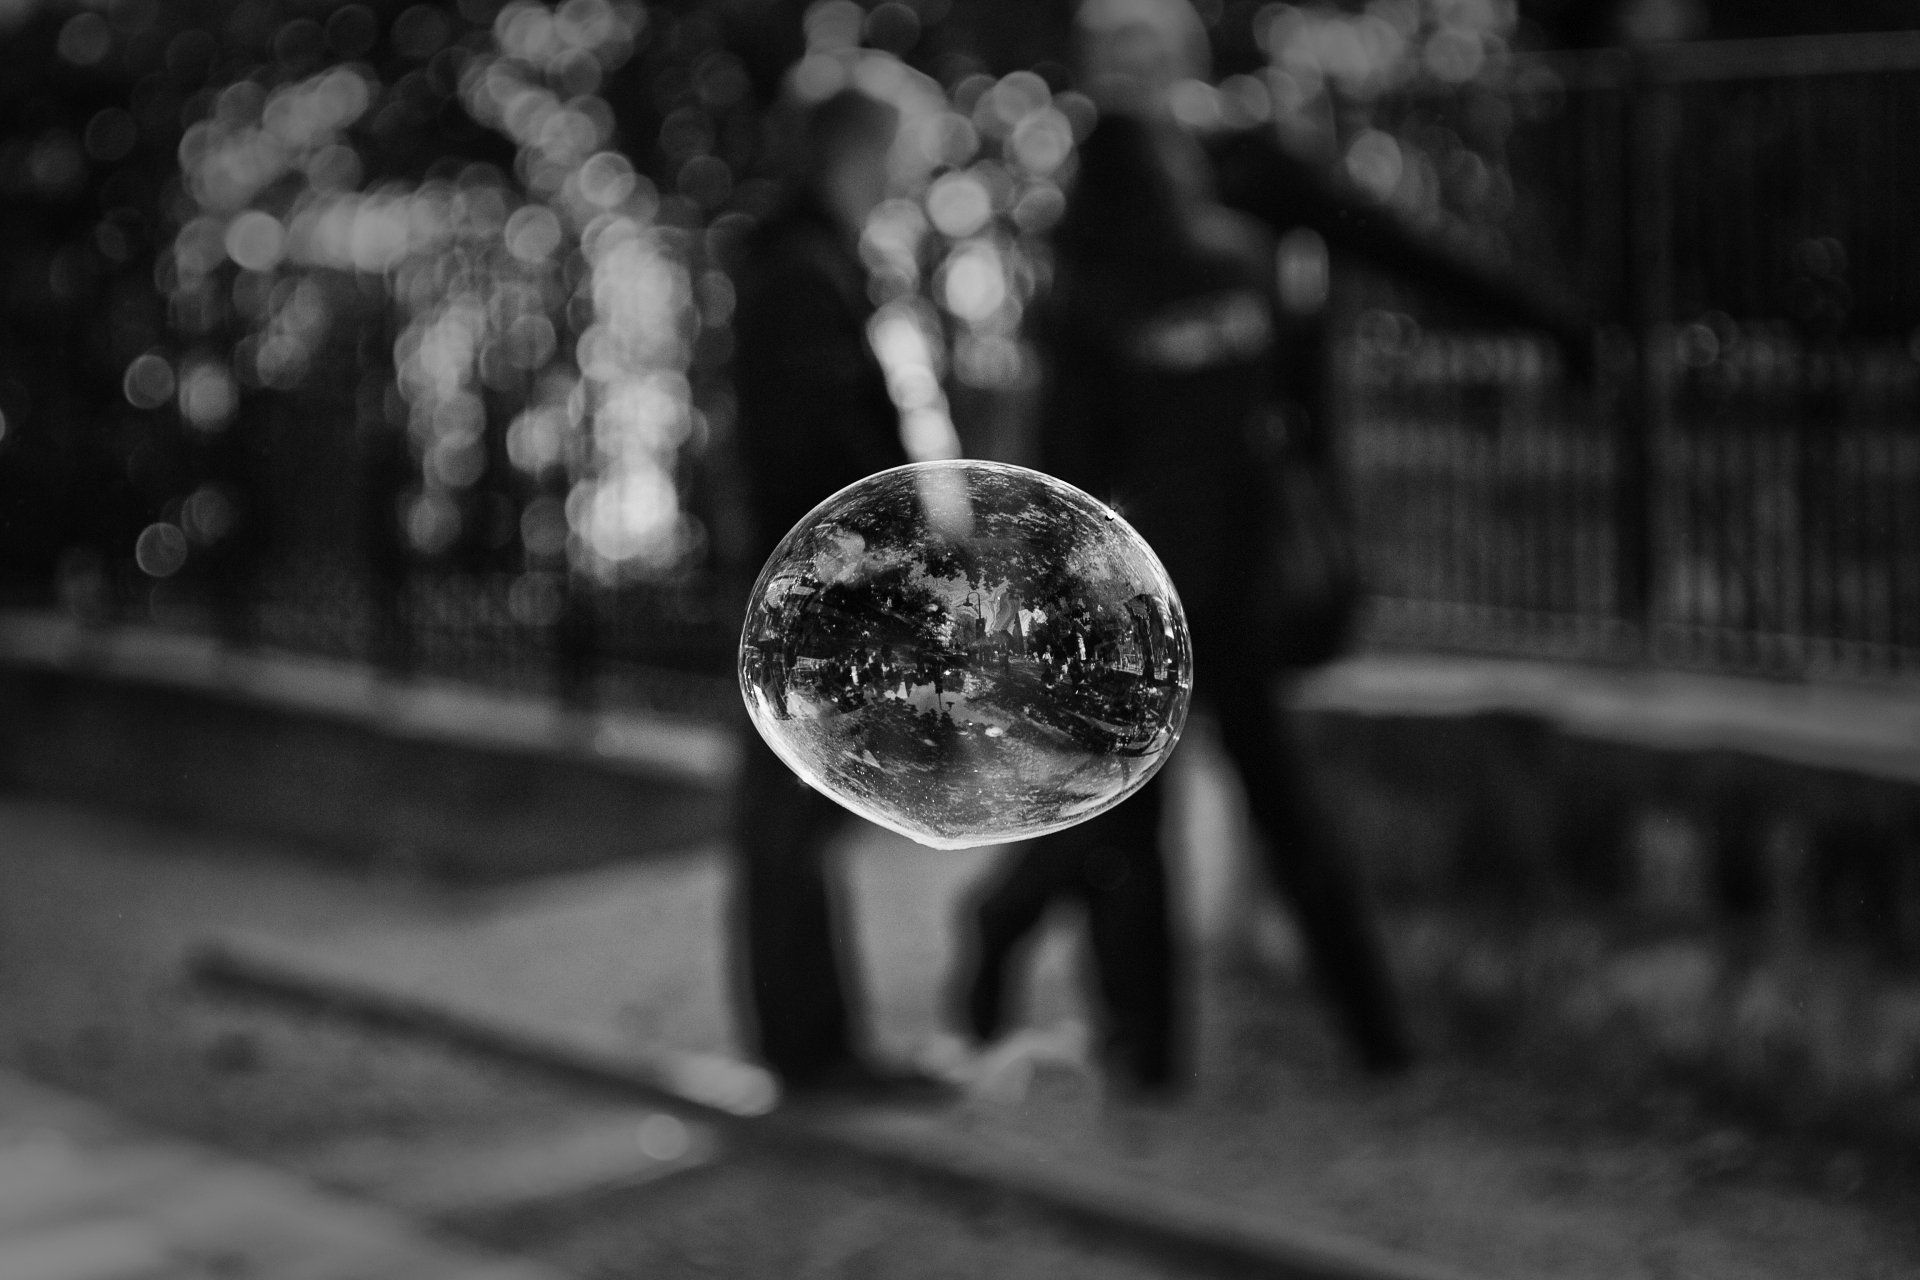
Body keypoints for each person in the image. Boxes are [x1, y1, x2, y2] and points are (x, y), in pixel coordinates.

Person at [955, 0, 1415, 1091]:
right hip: (1142, 568)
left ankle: (1377, 1035)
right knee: (1127, 817)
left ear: (1190, 60)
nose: (1131, 73)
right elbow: (1072, 412)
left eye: (1148, 50)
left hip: (1243, 561)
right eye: (1111, 56)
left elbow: (1382, 255)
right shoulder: (1095, 207)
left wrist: (1550, 320)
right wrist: (1046, 560)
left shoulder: (1247, 179)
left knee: (1273, 798)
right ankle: (1143, 1048)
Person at [725, 83, 948, 1101]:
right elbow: (822, 450)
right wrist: (895, 557)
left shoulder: (809, 261)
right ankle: (811, 1052)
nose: (915, 174)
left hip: (811, 586)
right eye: (908, 153)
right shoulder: (803, 273)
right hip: (817, 595)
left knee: (798, 818)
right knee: (791, 819)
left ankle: (814, 1044)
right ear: (865, 152)